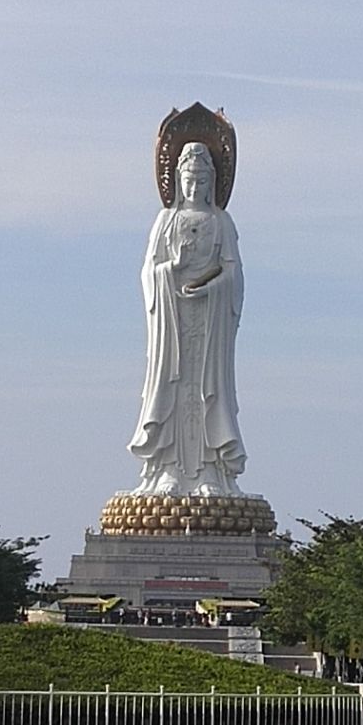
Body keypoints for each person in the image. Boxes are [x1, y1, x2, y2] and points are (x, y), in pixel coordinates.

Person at [129, 140, 246, 496]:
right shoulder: (166, 220)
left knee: (207, 390)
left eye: (201, 182)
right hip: (173, 319)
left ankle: (209, 471)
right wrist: (173, 269)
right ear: (178, 182)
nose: (194, 188)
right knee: (173, 389)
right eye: (189, 181)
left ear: (213, 183)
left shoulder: (221, 222)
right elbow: (149, 272)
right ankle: (168, 471)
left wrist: (211, 289)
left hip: (209, 323)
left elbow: (234, 274)